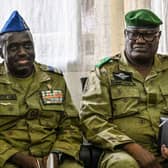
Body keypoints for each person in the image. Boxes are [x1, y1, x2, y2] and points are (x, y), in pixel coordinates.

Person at [80, 9, 168, 168]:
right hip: (122, 151)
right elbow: (91, 119)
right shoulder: (105, 72)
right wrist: (134, 149)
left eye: (147, 34)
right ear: (126, 34)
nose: (139, 41)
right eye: (134, 34)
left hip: (165, 149)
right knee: (123, 164)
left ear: (158, 37)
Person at [0, 10, 83, 168]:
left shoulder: (54, 79)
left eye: (27, 46)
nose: (23, 52)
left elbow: (71, 125)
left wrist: (56, 155)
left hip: (54, 157)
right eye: (13, 48)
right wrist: (22, 160)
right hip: (10, 160)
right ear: (1, 52)